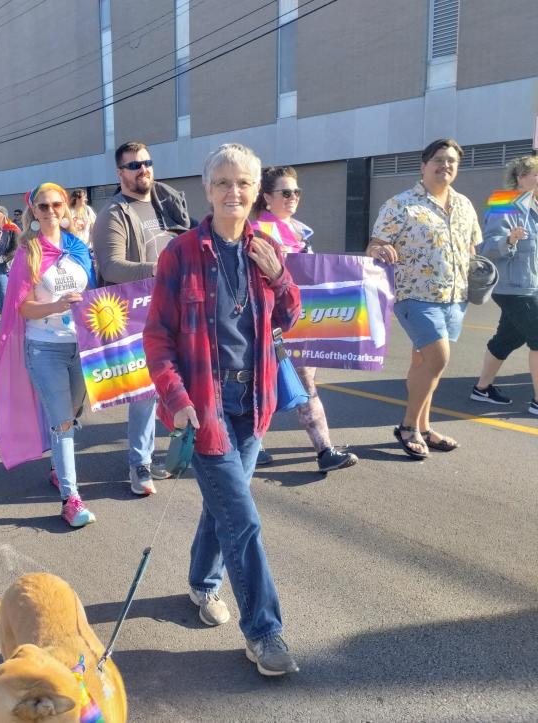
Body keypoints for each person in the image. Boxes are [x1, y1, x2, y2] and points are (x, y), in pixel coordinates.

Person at [143, 143, 301, 676]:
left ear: (256, 192)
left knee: (223, 509)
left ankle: (201, 584)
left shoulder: (264, 246)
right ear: (207, 190)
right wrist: (176, 398)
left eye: (244, 184)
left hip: (253, 401)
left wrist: (279, 276)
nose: (234, 192)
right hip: (204, 407)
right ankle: (265, 632)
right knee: (243, 518)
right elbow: (157, 337)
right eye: (223, 183)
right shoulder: (181, 253)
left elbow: (291, 314)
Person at [367, 138, 482, 458]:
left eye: (452, 161)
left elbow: (471, 248)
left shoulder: (465, 205)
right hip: (414, 295)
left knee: (425, 363)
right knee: (438, 357)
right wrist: (380, 250)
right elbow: (374, 245)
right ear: (424, 165)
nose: (446, 165)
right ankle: (407, 426)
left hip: (456, 296)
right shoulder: (400, 204)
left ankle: (425, 426)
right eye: (439, 159)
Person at [0, 183, 98, 527]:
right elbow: (22, 307)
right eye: (43, 206)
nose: (50, 211)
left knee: (73, 413)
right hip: (44, 348)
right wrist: (56, 305)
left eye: (56, 204)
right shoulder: (29, 252)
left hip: (80, 346)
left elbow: (95, 294)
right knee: (63, 420)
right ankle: (71, 499)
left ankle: (56, 467)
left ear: (65, 207)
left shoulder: (79, 248)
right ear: (34, 213)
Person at [92, 140, 191, 495]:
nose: (143, 169)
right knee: (145, 392)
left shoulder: (167, 200)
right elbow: (111, 267)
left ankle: (186, 449)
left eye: (147, 162)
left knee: (184, 381)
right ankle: (140, 464)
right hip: (141, 317)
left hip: (180, 307)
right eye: (134, 165)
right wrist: (161, 269)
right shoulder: (113, 215)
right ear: (120, 173)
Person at [254, 167, 358, 472]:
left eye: (296, 192)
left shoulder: (301, 232)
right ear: (267, 197)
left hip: (301, 321)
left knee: (306, 383)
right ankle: (253, 442)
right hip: (267, 324)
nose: (292, 198)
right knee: (260, 385)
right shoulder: (258, 231)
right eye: (285, 192)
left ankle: (324, 449)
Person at [471, 155, 538, 415]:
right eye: (536, 174)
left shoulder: (533, 205)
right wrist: (509, 240)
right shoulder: (504, 203)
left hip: (530, 284)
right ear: (520, 178)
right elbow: (486, 248)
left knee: (508, 338)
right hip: (512, 287)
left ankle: (482, 389)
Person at [0, 204, 20, 313]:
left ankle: (17, 318)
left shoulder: (13, 228)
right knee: (3, 294)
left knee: (17, 294)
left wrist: (1, 258)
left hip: (13, 265)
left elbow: (15, 248)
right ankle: (6, 319)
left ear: (4, 215)